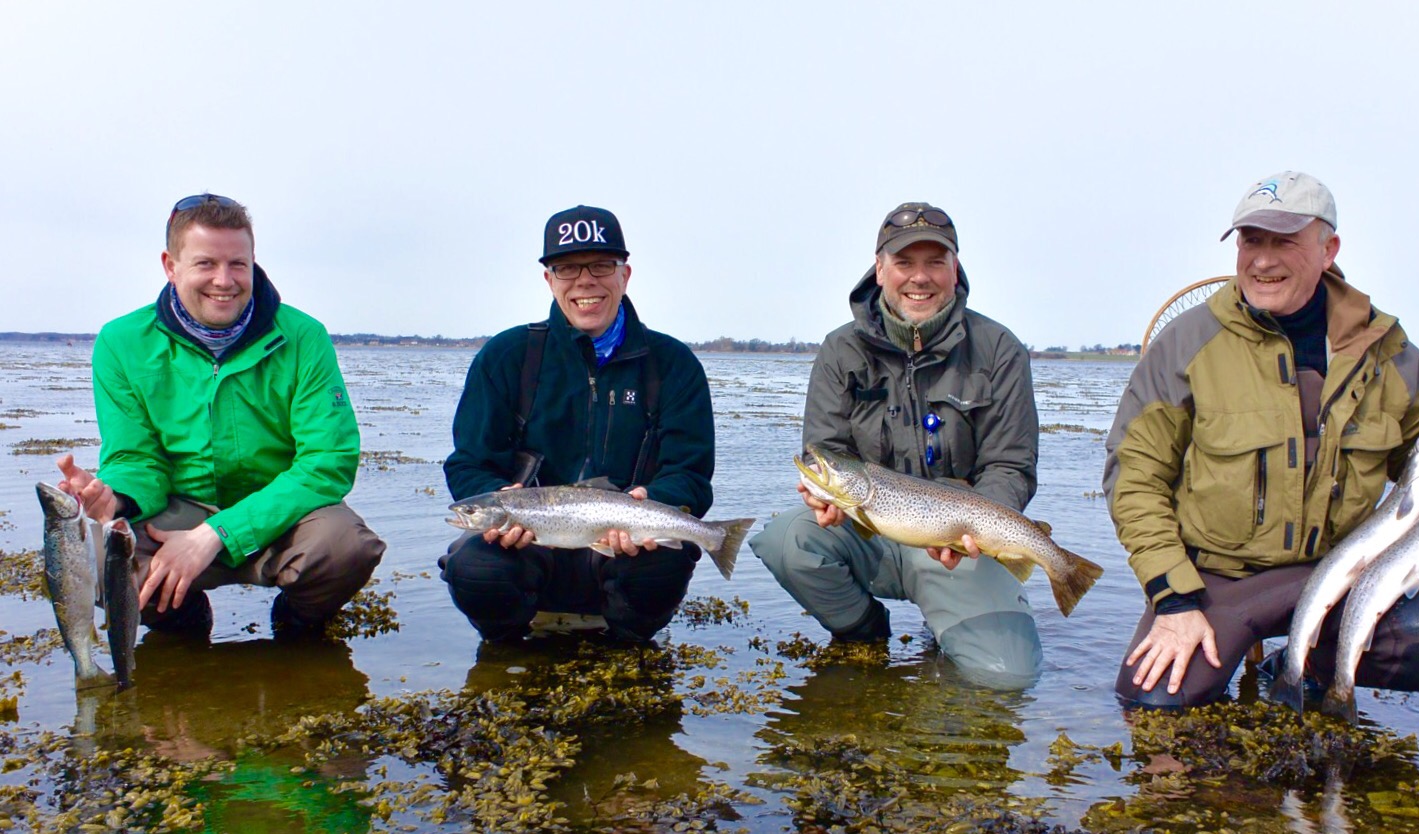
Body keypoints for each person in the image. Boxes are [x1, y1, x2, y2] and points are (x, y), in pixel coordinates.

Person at [1105, 171, 1419, 706]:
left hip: (1339, 571)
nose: (1262, 260)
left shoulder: (1387, 349)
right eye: (1251, 240)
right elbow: (1134, 478)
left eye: (1284, 242)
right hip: (1215, 578)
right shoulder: (1187, 342)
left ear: (1329, 250)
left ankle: (1295, 669)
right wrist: (1173, 601)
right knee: (1153, 702)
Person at [56, 193, 385, 638]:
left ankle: (297, 622)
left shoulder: (304, 337)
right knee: (98, 555)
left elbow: (327, 462)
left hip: (280, 512)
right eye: (206, 264)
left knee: (347, 546)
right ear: (170, 266)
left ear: (253, 263)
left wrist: (216, 534)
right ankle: (183, 621)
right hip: (177, 511)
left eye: (237, 264)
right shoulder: (121, 342)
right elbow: (136, 458)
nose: (224, 280)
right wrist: (114, 498)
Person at [749, 202, 1044, 687]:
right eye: (904, 262)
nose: (919, 278)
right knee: (787, 540)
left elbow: (1010, 465)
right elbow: (824, 449)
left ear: (954, 268)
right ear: (880, 268)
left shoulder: (999, 349)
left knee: (1006, 680)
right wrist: (823, 499)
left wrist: (975, 531)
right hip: (870, 531)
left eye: (934, 263)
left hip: (960, 542)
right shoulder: (840, 350)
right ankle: (864, 632)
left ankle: (950, 620)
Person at [439, 205, 716, 643]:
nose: (585, 281)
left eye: (601, 265)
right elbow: (468, 463)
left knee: (662, 567)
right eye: (567, 268)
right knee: (475, 569)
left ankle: (627, 645)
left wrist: (653, 500)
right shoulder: (506, 356)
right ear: (549, 280)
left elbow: (691, 476)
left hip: (624, 552)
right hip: (527, 548)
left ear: (625, 275)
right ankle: (507, 655)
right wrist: (499, 497)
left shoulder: (674, 364)